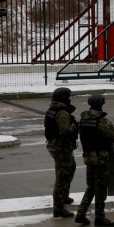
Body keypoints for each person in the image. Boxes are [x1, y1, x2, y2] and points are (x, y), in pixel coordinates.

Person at [75, 93, 114, 227]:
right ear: (101, 104)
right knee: (101, 188)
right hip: (100, 158)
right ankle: (100, 217)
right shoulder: (102, 121)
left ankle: (81, 213)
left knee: (91, 187)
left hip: (88, 156)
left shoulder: (83, 119)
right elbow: (110, 136)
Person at [44, 87, 79, 218]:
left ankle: (64, 196)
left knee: (71, 167)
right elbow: (65, 131)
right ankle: (59, 207)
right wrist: (76, 125)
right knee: (62, 176)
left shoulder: (52, 109)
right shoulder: (62, 112)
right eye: (69, 96)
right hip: (61, 147)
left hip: (55, 145)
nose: (71, 98)